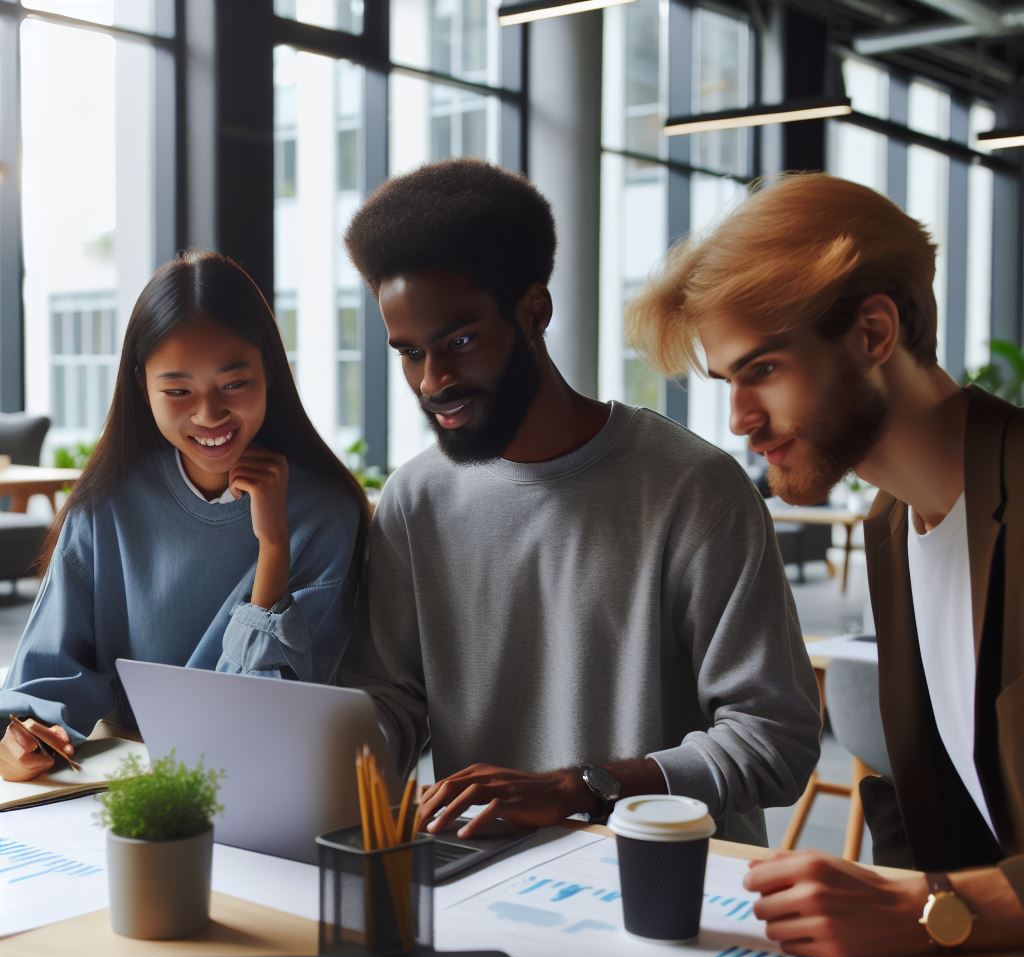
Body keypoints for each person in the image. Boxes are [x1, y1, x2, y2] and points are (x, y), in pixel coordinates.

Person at [340, 158, 820, 846]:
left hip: (678, 886)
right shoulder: (416, 500)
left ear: (535, 311)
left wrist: (581, 788)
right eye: (410, 353)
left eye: (461, 341)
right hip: (485, 882)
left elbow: (776, 743)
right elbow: (390, 705)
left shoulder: (694, 488)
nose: (433, 380)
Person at [627, 172, 1024, 957]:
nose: (739, 420)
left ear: (875, 332)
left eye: (763, 370)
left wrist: (931, 909)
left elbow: (937, 895)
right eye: (727, 382)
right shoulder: (893, 525)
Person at [0, 250, 368, 782]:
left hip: (264, 789)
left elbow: (259, 720)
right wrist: (25, 735)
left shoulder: (323, 513)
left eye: (234, 383)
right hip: (129, 792)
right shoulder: (105, 505)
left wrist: (273, 548)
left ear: (269, 372)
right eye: (177, 391)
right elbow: (46, 681)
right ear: (140, 386)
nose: (208, 414)